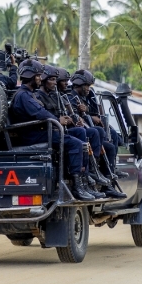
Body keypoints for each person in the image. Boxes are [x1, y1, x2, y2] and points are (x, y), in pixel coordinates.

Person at [9, 60, 95, 201]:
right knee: (76, 144)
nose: (40, 79)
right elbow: (41, 113)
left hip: (40, 132)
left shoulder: (29, 94)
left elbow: (41, 113)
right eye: (38, 76)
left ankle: (84, 180)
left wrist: (61, 119)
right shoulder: (23, 95)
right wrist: (57, 120)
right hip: (33, 135)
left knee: (78, 133)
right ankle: (77, 187)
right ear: (31, 76)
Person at [35, 65, 123, 199]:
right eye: (54, 80)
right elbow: (43, 115)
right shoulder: (42, 96)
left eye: (56, 80)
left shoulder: (57, 96)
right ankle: (82, 182)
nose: (64, 83)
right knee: (81, 140)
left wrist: (76, 117)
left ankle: (92, 174)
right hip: (47, 132)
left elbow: (63, 115)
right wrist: (66, 118)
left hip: (59, 129)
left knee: (95, 134)